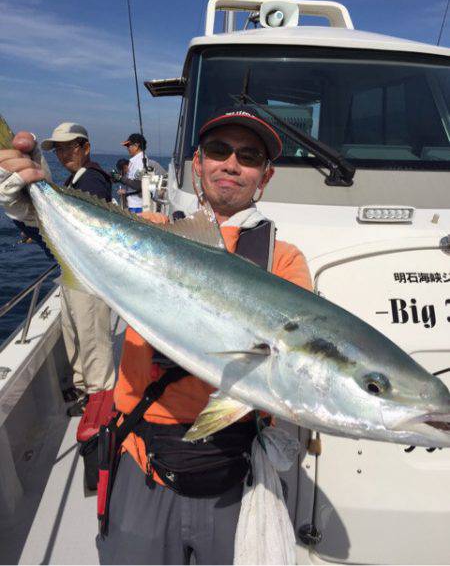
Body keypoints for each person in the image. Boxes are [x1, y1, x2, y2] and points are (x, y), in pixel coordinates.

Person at [0, 108, 312, 563]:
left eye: (249, 156)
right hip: (141, 455)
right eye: (219, 151)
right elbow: (73, 241)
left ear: (265, 176)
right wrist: (28, 199)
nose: (231, 163)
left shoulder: (283, 261)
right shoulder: (152, 231)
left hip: (231, 468)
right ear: (197, 164)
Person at [0, 122, 115, 416]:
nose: (63, 154)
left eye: (69, 147)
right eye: (59, 149)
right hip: (72, 273)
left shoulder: (92, 180)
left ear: (85, 148)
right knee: (74, 331)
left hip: (89, 277)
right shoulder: (71, 181)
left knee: (92, 337)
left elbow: (78, 223)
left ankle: (100, 398)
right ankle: (81, 385)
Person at [120, 133, 165, 213]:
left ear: (136, 146)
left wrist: (121, 178)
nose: (127, 148)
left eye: (129, 145)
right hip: (134, 205)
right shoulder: (135, 161)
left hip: (137, 207)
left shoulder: (140, 162)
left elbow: (138, 184)